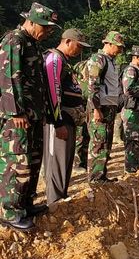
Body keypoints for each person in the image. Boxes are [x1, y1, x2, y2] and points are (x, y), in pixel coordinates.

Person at [0, 2, 60, 230]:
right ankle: (10, 210)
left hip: (34, 116)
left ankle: (25, 204)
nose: (47, 32)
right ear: (31, 21)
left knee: (34, 162)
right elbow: (8, 77)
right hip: (18, 117)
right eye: (45, 27)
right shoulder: (14, 40)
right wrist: (16, 111)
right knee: (18, 162)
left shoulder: (32, 44)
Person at [43, 28, 91, 205]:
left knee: (66, 160)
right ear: (67, 41)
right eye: (78, 46)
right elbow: (52, 91)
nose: (80, 51)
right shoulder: (54, 59)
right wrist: (58, 122)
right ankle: (54, 201)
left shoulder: (65, 61)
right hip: (59, 119)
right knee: (57, 159)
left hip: (68, 118)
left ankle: (61, 196)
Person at [86, 31, 125, 183]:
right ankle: (95, 179)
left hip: (110, 107)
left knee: (106, 143)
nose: (120, 50)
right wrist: (96, 108)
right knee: (98, 142)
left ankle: (101, 175)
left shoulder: (111, 61)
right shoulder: (98, 59)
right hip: (100, 107)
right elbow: (92, 85)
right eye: (118, 47)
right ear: (108, 44)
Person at [121, 46, 139, 173]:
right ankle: (130, 168)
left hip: (138, 110)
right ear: (137, 57)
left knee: (138, 139)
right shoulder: (131, 70)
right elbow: (128, 89)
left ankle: (136, 165)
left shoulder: (138, 71)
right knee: (132, 140)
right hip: (131, 111)